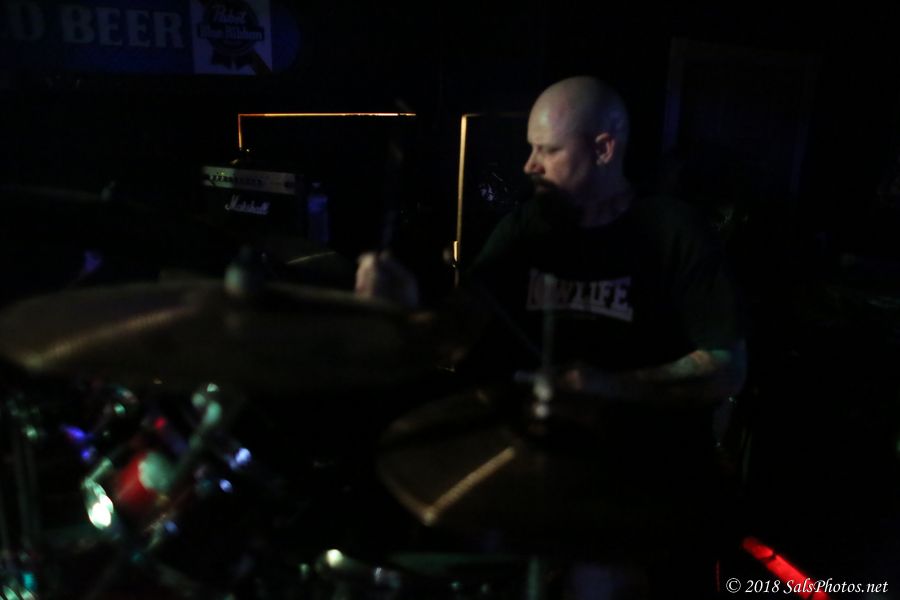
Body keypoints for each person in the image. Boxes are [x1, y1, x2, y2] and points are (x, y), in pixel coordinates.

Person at [357, 75, 747, 598]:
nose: (529, 165)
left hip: (644, 487)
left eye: (548, 150)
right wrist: (402, 310)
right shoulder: (525, 230)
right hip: (535, 480)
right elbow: (454, 334)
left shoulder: (673, 232)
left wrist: (609, 386)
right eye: (530, 149)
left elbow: (726, 367)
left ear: (603, 149)